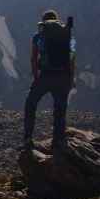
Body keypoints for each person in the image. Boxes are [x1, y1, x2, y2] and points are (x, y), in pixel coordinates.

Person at [23, 10, 76, 150]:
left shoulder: (38, 35)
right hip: (63, 77)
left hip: (45, 76)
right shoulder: (68, 34)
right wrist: (71, 78)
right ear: (57, 20)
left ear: (44, 21)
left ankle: (28, 139)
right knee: (60, 110)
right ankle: (58, 141)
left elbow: (33, 58)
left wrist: (36, 77)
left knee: (31, 104)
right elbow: (72, 58)